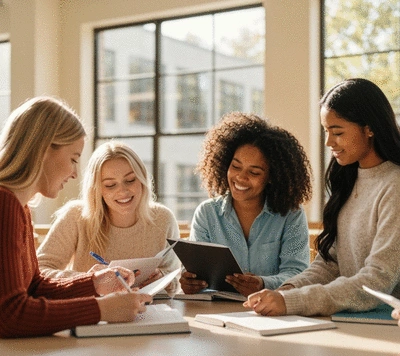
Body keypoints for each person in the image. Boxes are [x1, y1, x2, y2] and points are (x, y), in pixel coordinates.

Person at [244, 78, 400, 316]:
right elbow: (330, 264)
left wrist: (293, 301)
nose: (328, 142)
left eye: (337, 132)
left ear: (369, 128)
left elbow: (377, 280)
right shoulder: (348, 180)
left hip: (384, 328)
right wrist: (287, 291)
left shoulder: (394, 185)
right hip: (348, 321)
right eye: (326, 131)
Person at [0, 96, 152, 338]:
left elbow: (35, 288)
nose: (74, 173)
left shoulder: (20, 207)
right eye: (73, 159)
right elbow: (8, 315)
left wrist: (94, 283)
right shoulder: (4, 204)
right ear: (43, 149)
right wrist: (101, 309)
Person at [179, 112, 313, 297]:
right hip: (217, 314)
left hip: (271, 315)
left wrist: (263, 284)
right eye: (235, 166)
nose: (241, 177)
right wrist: (190, 283)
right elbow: (197, 273)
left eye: (255, 172)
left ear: (272, 177)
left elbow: (298, 274)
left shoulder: (291, 215)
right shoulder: (207, 213)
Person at [37, 141, 181, 295]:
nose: (123, 191)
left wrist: (162, 279)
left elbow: (175, 280)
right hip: (94, 311)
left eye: (130, 180)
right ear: (97, 190)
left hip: (150, 310)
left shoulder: (163, 219)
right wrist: (90, 280)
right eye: (110, 185)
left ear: (142, 180)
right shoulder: (76, 217)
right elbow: (39, 271)